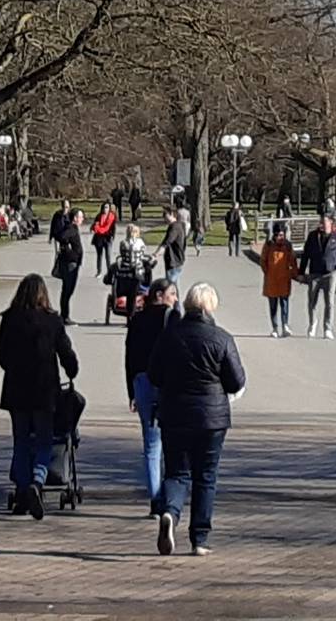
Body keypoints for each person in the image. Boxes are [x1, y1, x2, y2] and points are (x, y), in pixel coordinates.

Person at [148, 281, 244, 557]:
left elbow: (154, 374)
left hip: (174, 413)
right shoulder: (222, 338)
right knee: (205, 476)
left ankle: (170, 512)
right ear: (211, 307)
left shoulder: (170, 336)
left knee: (177, 472)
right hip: (212, 418)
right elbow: (236, 380)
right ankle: (199, 538)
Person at [0, 274, 80, 518]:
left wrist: (12, 368)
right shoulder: (52, 320)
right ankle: (38, 481)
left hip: (17, 389)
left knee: (21, 441)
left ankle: (22, 489)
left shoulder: (10, 319)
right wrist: (72, 370)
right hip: (45, 390)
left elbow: (1, 353)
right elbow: (65, 351)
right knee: (44, 440)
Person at [124, 276, 180, 514]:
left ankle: (155, 500)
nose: (175, 299)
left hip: (141, 382)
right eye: (172, 294)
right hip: (166, 383)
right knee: (172, 442)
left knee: (151, 445)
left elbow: (129, 356)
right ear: (159, 295)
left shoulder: (137, 319)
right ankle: (169, 498)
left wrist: (131, 391)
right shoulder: (172, 317)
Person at [300, 214, 336, 340]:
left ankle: (328, 328)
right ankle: (313, 324)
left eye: (324, 222)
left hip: (330, 273)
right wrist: (301, 272)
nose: (322, 224)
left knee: (329, 302)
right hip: (315, 272)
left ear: (330, 223)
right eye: (321, 222)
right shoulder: (313, 236)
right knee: (312, 301)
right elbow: (305, 255)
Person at [259, 225, 298, 337]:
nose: (281, 238)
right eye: (279, 235)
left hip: (284, 280)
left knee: (284, 304)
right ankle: (275, 328)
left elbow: (293, 261)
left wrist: (295, 274)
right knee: (273, 306)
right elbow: (263, 261)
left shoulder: (288, 245)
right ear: (275, 235)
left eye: (282, 235)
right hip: (271, 280)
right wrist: (268, 273)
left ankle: (285, 325)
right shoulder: (269, 245)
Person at [51, 213, 85, 315]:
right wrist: (68, 251)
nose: (82, 219)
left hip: (73, 262)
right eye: (81, 217)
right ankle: (64, 315)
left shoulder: (73, 228)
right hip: (70, 263)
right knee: (67, 290)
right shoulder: (71, 228)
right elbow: (61, 236)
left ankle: (65, 314)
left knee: (68, 291)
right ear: (75, 218)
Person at [161, 210, 191, 288]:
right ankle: (175, 295)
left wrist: (156, 253)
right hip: (178, 259)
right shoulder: (181, 225)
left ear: (172, 215)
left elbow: (167, 241)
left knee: (170, 284)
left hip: (173, 259)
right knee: (174, 284)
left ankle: (173, 295)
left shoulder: (174, 227)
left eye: (166, 217)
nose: (165, 220)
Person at [90, 201, 119, 275]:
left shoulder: (112, 217)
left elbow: (113, 228)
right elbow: (94, 225)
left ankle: (109, 272)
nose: (105, 209)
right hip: (99, 238)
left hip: (108, 238)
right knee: (99, 255)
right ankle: (99, 272)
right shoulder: (99, 216)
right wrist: (93, 229)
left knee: (108, 256)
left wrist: (112, 236)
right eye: (104, 207)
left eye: (107, 207)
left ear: (109, 208)